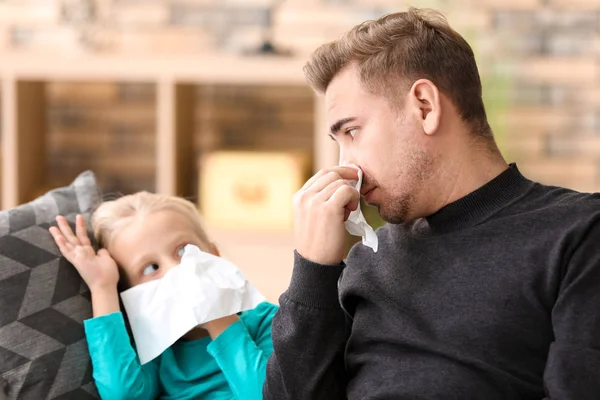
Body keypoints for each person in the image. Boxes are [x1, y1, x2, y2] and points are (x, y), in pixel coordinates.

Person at [263, 7, 600, 400]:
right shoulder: (367, 260)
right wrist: (313, 269)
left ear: (425, 106)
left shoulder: (579, 234)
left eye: (353, 131)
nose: (344, 167)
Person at [48, 191, 277, 400]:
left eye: (184, 250)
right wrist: (103, 288)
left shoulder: (271, 321)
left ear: (214, 254)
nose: (175, 269)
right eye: (151, 268)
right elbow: (124, 395)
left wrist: (218, 317)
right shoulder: (156, 346)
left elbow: (267, 395)